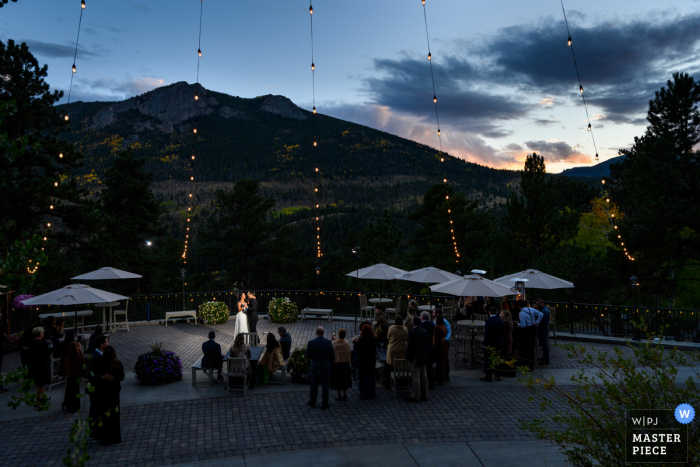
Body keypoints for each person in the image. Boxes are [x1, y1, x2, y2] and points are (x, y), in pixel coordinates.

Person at [96, 345, 125, 446]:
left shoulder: (100, 363)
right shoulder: (117, 364)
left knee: (104, 413)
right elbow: (122, 376)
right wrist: (115, 377)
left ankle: (105, 438)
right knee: (115, 413)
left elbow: (95, 375)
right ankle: (115, 437)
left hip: (104, 391)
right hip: (114, 391)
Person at [87, 335, 112, 441]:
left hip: (102, 388)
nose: (108, 343)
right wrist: (102, 377)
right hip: (96, 388)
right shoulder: (93, 356)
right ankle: (94, 433)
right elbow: (90, 373)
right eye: (106, 342)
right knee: (95, 410)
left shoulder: (104, 354)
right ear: (101, 344)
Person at [306, 326, 335, 409]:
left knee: (313, 384)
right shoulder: (328, 342)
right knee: (325, 385)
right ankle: (325, 403)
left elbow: (307, 355)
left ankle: (312, 401)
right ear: (323, 333)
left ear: (316, 333)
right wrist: (330, 363)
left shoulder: (311, 343)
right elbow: (332, 355)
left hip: (315, 365)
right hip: (325, 365)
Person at [405, 316, 429, 402]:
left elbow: (410, 347)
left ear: (413, 323)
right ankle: (425, 394)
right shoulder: (424, 331)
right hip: (423, 356)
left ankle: (416, 395)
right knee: (424, 375)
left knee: (416, 376)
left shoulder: (411, 333)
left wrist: (408, 358)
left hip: (415, 357)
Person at [28, 326, 52, 409]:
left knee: (40, 382)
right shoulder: (43, 343)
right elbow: (47, 353)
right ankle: (37, 402)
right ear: (40, 334)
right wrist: (51, 348)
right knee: (40, 384)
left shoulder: (32, 342)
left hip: (35, 364)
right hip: (42, 364)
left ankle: (44, 397)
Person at [62, 331, 85, 413]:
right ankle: (73, 406)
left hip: (68, 370)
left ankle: (67, 403)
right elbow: (78, 357)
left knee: (69, 387)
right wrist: (79, 348)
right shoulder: (73, 345)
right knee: (74, 389)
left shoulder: (66, 344)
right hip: (74, 370)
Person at [517, 300, 543, 370]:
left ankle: (527, 364)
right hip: (533, 329)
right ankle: (531, 364)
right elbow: (541, 314)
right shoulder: (531, 309)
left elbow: (523, 325)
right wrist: (537, 322)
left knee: (525, 347)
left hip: (526, 330)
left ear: (519, 306)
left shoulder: (521, 313)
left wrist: (517, 324)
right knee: (531, 347)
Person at [352, 324, 376, 400]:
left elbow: (356, 347)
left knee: (363, 379)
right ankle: (372, 393)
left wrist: (354, 342)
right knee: (371, 377)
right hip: (371, 360)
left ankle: (365, 394)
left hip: (362, 361)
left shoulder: (361, 340)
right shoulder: (374, 339)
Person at [481, 306, 504, 382]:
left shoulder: (488, 321)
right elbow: (502, 332)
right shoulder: (500, 320)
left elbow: (487, 333)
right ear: (496, 312)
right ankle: (497, 376)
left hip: (490, 343)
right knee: (497, 360)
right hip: (498, 342)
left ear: (489, 312)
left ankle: (488, 376)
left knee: (488, 360)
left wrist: (485, 342)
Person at [330, 328, 352, 401]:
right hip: (345, 363)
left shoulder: (334, 343)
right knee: (345, 379)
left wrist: (334, 340)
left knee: (338, 379)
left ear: (338, 335)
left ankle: (339, 395)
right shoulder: (347, 343)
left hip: (337, 364)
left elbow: (333, 350)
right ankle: (345, 394)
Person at [386, 315, 407, 386]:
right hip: (402, 349)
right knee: (401, 365)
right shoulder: (405, 329)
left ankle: (388, 383)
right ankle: (401, 383)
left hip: (392, 349)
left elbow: (388, 337)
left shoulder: (391, 328)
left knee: (390, 365)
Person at [434, 306, 452, 382]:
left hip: (444, 342)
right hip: (438, 342)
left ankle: (446, 376)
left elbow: (449, 331)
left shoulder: (445, 322)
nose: (433, 314)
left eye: (434, 312)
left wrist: (446, 338)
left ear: (437, 314)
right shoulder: (435, 322)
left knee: (445, 359)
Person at [420, 311, 436, 390]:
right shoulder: (432, 325)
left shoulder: (421, 325)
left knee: (423, 368)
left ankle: (424, 385)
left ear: (422, 318)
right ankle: (431, 384)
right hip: (430, 347)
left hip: (424, 348)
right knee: (430, 368)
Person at [498, 309, 516, 378]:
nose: (501, 314)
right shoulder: (510, 321)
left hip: (505, 339)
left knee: (505, 354)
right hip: (509, 338)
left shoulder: (505, 322)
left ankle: (505, 370)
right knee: (508, 353)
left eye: (502, 313)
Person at [433, 316, 448, 386]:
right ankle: (442, 378)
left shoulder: (437, 327)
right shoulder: (443, 326)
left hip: (439, 347)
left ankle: (441, 379)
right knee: (442, 363)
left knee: (439, 363)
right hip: (444, 347)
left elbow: (435, 338)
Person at [535, 298, 551, 365]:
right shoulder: (540, 309)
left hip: (542, 330)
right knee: (542, 344)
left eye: (538, 304)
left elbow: (545, 323)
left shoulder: (545, 311)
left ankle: (546, 359)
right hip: (539, 329)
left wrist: (542, 331)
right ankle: (544, 357)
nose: (537, 305)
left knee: (544, 345)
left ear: (542, 303)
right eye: (536, 304)